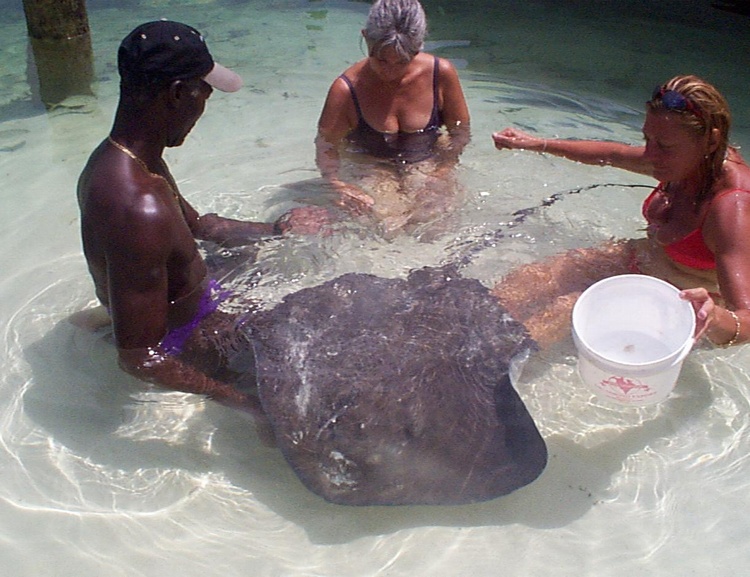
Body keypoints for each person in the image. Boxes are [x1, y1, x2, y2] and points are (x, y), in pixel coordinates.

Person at [76, 20, 327, 418]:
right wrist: (243, 401)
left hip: (193, 300)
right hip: (188, 337)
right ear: (178, 94)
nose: (204, 106)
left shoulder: (127, 159)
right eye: (204, 92)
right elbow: (141, 356)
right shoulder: (138, 207)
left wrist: (279, 230)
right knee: (317, 368)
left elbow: (199, 229)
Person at [491, 75, 750, 349]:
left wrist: (713, 316)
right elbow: (613, 155)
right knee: (527, 280)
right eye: (647, 139)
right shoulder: (681, 160)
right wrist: (536, 143)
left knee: (565, 308)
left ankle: (486, 368)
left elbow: (746, 322)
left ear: (711, 142)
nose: (649, 155)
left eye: (664, 146)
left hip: (678, 297)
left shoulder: (730, 209)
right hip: (640, 259)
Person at [316, 0, 471, 236]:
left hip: (425, 158)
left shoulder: (441, 74)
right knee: (386, 219)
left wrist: (441, 172)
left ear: (418, 48)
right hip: (370, 163)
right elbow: (326, 145)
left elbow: (460, 131)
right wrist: (337, 184)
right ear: (366, 39)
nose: (390, 71)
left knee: (435, 218)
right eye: (381, 60)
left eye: (402, 61)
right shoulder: (346, 90)